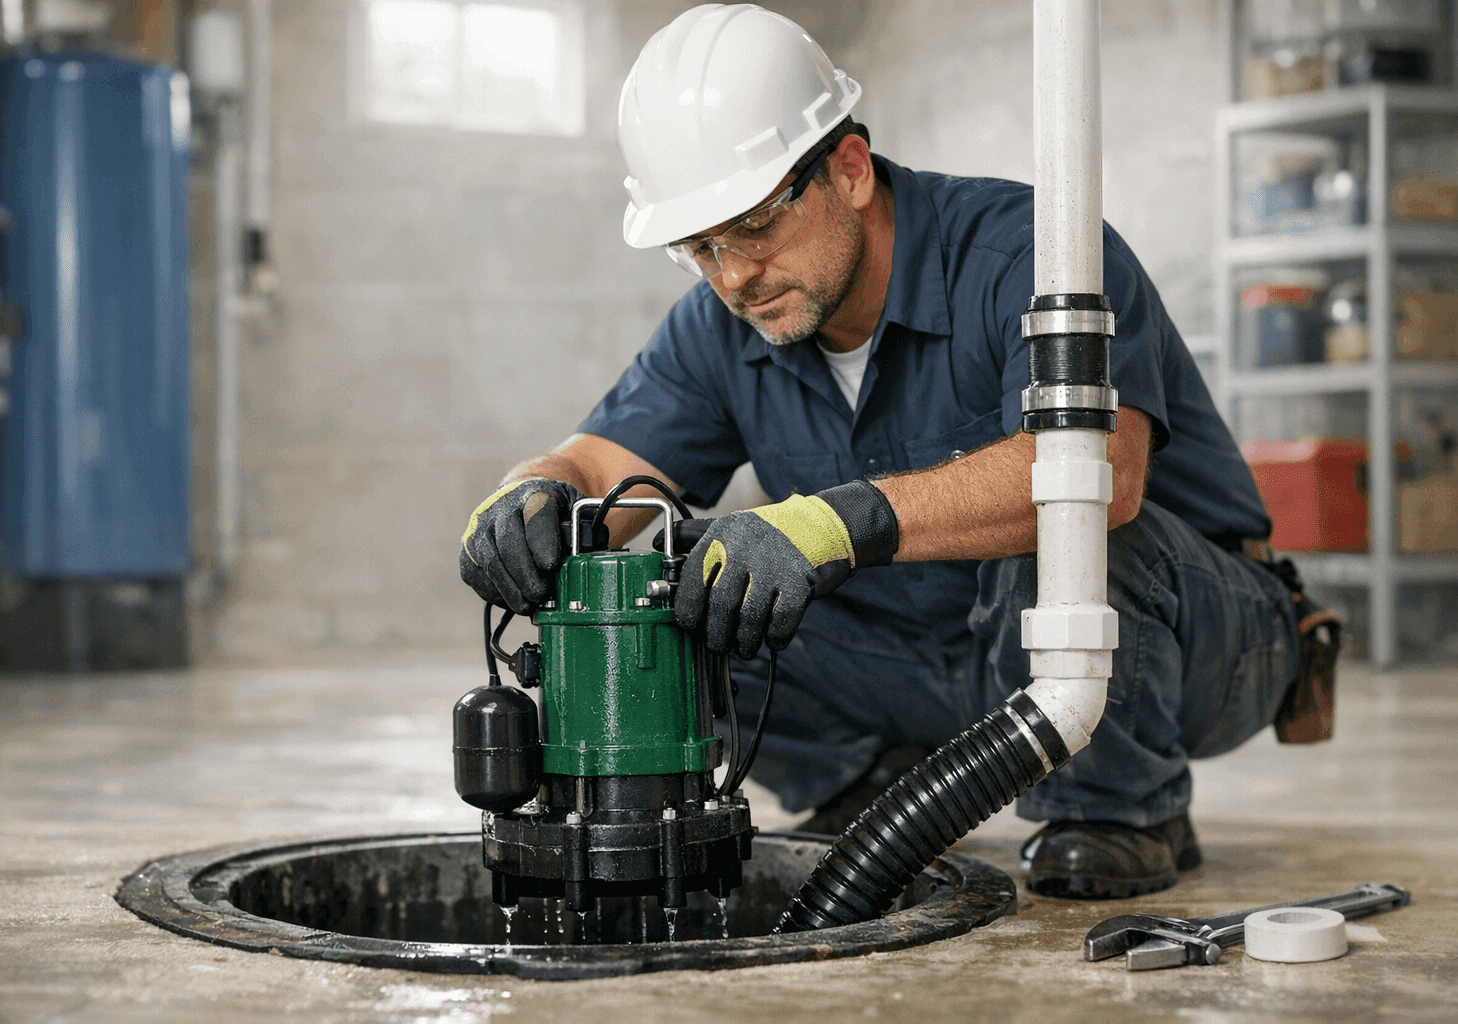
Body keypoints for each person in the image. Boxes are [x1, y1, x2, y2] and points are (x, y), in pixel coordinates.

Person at [459, 4, 1332, 900]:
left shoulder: (1032, 252)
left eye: (754, 228)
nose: (733, 277)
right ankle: (867, 775)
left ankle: (1115, 805)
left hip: (1197, 639)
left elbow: (1103, 480)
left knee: (1065, 527)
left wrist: (835, 521)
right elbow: (600, 470)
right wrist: (530, 496)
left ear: (849, 169)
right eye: (700, 249)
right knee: (692, 576)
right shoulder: (725, 324)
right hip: (945, 659)